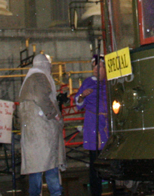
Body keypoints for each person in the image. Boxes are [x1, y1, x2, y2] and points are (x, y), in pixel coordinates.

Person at [18, 54, 66, 196]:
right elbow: (41, 97)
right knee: (51, 166)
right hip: (43, 132)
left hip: (32, 134)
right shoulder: (39, 77)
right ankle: (56, 193)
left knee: (35, 169)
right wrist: (54, 114)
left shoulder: (27, 80)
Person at [74, 55, 108, 196]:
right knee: (94, 158)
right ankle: (96, 190)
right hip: (93, 124)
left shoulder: (111, 83)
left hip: (106, 124)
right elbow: (78, 103)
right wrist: (82, 96)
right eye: (93, 67)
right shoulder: (88, 82)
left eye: (98, 67)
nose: (95, 70)